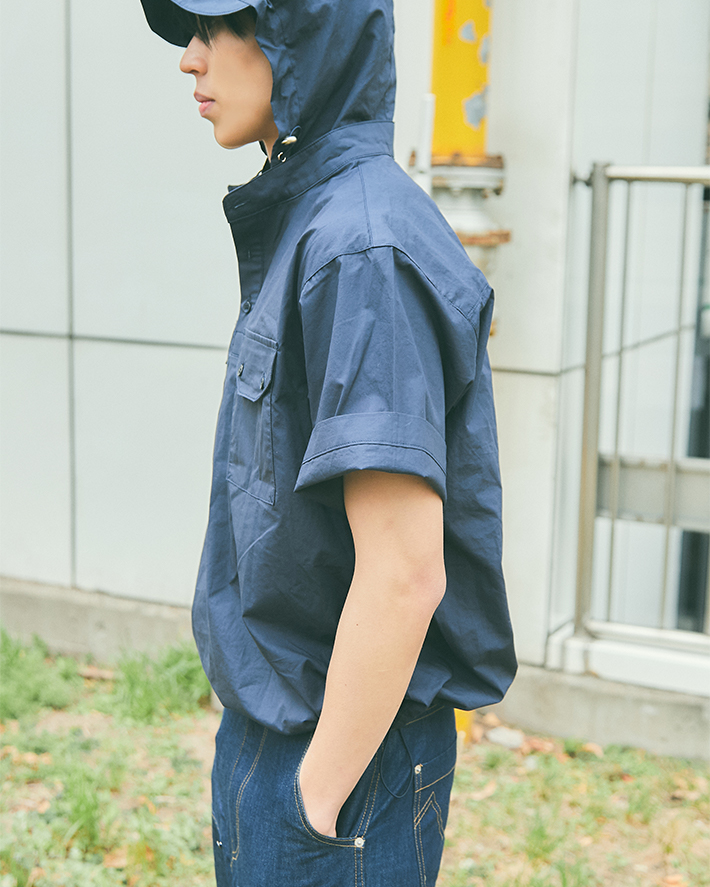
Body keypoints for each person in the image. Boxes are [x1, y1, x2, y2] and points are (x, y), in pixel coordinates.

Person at [139, 2, 517, 885]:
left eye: (217, 29)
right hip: (291, 741)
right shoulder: (319, 219)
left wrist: (312, 799)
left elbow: (404, 571)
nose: (190, 59)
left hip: (340, 768)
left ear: (300, 35)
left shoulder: (360, 246)